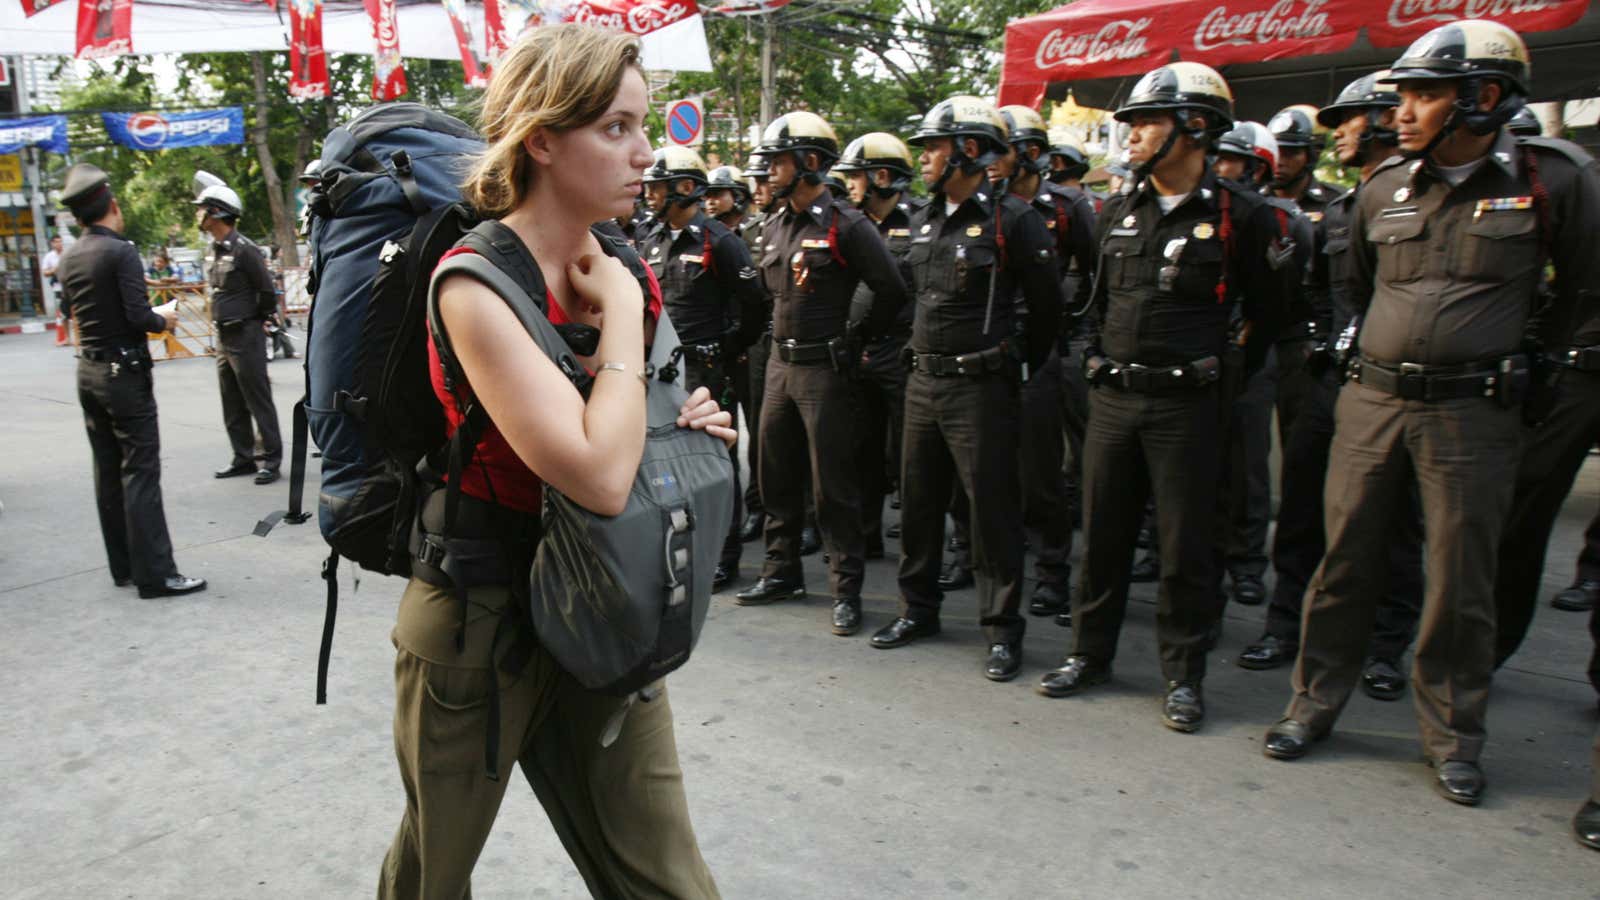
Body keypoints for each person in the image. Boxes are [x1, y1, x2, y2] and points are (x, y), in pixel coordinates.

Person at [381, 24, 732, 898]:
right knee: (434, 877)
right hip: (478, 617)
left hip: (607, 600)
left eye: (643, 125)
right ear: (541, 137)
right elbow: (600, 474)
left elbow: (661, 431)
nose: (645, 152)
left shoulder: (625, 266)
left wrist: (708, 424)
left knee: (668, 879)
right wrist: (617, 313)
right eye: (616, 128)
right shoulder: (473, 285)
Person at [1263, 20, 1600, 807]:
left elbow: (1583, 292)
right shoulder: (1384, 185)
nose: (1401, 110)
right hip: (1373, 402)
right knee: (1342, 563)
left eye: (1423, 94)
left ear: (1483, 98)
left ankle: (1452, 737)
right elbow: (1363, 287)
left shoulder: (1557, 180)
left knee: (1460, 580)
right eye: (1402, 94)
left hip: (1473, 416)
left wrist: (1526, 369)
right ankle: (1312, 706)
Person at [1037, 63, 1293, 730]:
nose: (1135, 135)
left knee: (1185, 547)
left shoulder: (1247, 215)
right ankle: (1089, 655)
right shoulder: (1116, 209)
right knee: (1104, 537)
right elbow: (1094, 298)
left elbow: (1272, 315)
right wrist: (1095, 356)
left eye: (1149, 121)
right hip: (1116, 402)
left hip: (1190, 408)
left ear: (1197, 126)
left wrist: (1223, 376)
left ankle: (1183, 676)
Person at [1237, 71, 1425, 703]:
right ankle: (1285, 623)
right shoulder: (1345, 210)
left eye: (1348, 118)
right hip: (1322, 381)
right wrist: (1323, 340)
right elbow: (1316, 289)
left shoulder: (1423, 198)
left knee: (1395, 517)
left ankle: (1386, 645)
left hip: (1402, 387)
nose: (1338, 130)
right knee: (1302, 505)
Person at [868, 95, 1062, 681]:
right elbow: (901, 291)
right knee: (920, 502)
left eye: (934, 147)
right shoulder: (923, 219)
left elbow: (1049, 310)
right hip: (923, 381)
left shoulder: (1015, 220)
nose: (924, 158)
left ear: (968, 151)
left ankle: (1002, 631)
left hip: (981, 387)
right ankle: (917, 610)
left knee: (991, 512)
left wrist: (1009, 361)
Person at [733, 110, 910, 639]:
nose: (768, 171)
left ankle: (845, 588)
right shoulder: (776, 221)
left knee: (833, 485)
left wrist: (857, 341)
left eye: (779, 161)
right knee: (774, 474)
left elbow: (892, 289)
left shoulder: (846, 225)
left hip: (826, 372)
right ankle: (781, 570)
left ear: (810, 163)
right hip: (781, 367)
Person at [55, 164, 206, 600]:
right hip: (124, 373)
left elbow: (73, 311)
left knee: (107, 470)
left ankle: (123, 566)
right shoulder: (120, 252)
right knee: (140, 471)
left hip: (89, 370)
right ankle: (156, 575)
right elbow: (141, 317)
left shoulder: (69, 257)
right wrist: (166, 317)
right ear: (112, 205)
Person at [638, 146, 764, 590]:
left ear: (686, 188)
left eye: (658, 185)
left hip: (705, 369)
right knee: (661, 461)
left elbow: (755, 306)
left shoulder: (719, 241)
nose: (649, 193)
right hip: (659, 370)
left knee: (712, 466)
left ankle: (722, 556)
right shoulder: (649, 236)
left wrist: (728, 350)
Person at [1209, 122, 1311, 613]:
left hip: (1251, 353)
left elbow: (1278, 299)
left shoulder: (1280, 218)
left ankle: (1247, 564)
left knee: (1247, 462)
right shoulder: (1203, 212)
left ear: (1255, 167)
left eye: (1230, 160)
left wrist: (1249, 351)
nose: (1219, 167)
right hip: (1202, 356)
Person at [833, 132, 924, 559]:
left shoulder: (921, 223)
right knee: (859, 451)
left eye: (857, 177)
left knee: (911, 457)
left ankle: (920, 545)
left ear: (882, 177)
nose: (850, 186)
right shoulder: (854, 227)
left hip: (903, 353)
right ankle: (867, 535)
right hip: (861, 351)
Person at [194, 172, 283, 486]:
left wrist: (256, 320)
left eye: (202, 208)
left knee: (258, 399)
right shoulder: (213, 250)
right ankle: (243, 458)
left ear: (217, 212)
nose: (198, 214)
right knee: (231, 401)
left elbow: (267, 292)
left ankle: (270, 460)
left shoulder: (245, 249)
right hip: (223, 336)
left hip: (246, 334)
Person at [734, 153, 774, 544]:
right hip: (761, 343)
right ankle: (759, 506)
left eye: (765, 179)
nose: (759, 188)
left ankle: (808, 519)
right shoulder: (754, 231)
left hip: (801, 342)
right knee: (762, 432)